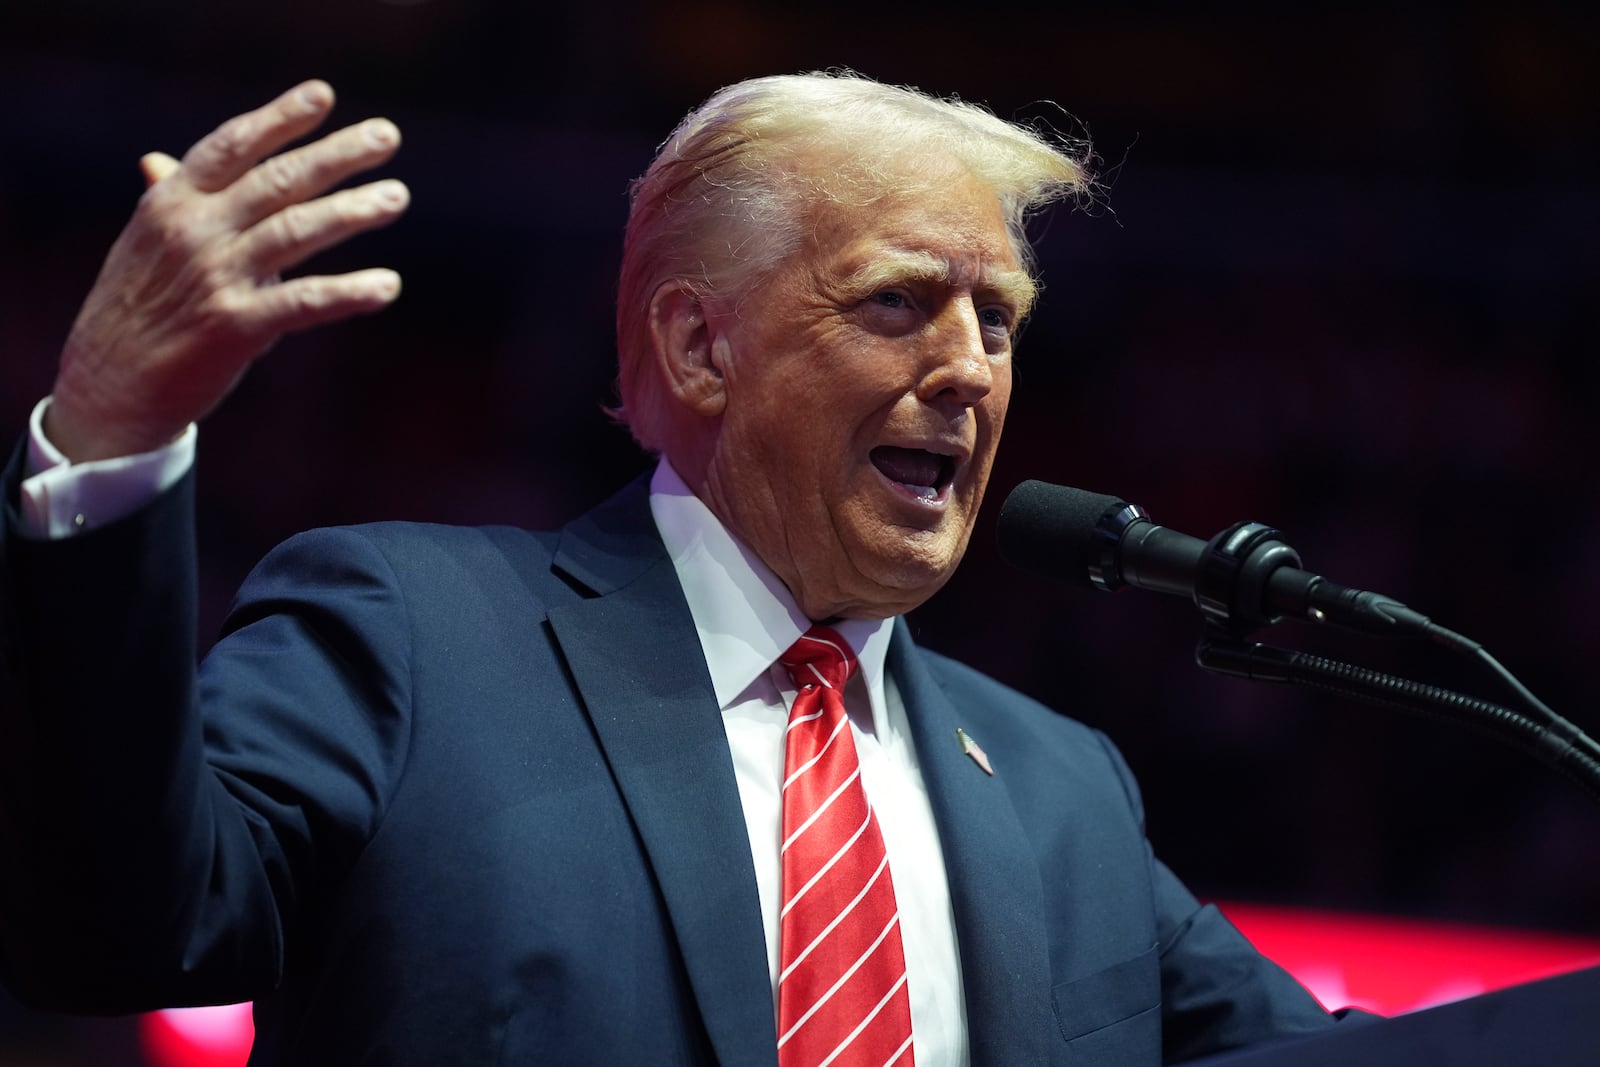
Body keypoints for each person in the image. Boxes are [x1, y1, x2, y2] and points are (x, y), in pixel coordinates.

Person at [0, 72, 1350, 1064]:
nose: (968, 370)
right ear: (703, 348)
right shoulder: (411, 638)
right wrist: (110, 444)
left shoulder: (1065, 790)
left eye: (996, 319)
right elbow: (113, 931)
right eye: (897, 301)